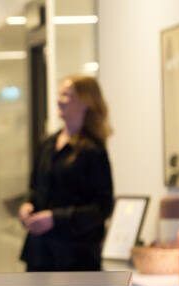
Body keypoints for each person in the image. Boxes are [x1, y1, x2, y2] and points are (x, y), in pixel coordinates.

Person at [19, 75, 114, 271]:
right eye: (60, 94)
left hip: (75, 257)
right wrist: (28, 206)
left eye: (66, 95)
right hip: (40, 254)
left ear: (85, 102)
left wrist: (55, 218)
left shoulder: (93, 150)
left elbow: (103, 207)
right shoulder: (48, 144)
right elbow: (35, 189)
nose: (59, 100)